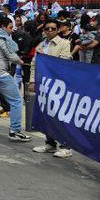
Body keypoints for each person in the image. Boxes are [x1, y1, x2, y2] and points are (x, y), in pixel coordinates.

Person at [32, 20, 75, 158]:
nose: (50, 31)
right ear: (43, 30)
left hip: (59, 85)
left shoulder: (64, 43)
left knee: (60, 116)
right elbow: (34, 64)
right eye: (47, 28)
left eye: (53, 28)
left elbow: (63, 63)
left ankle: (66, 146)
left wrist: (47, 64)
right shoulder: (40, 45)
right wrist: (32, 80)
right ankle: (50, 143)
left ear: (58, 30)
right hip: (43, 84)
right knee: (46, 115)